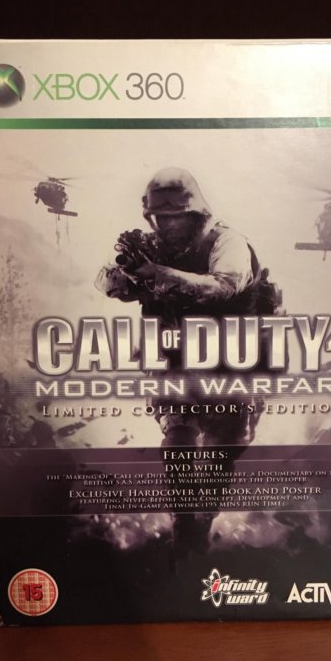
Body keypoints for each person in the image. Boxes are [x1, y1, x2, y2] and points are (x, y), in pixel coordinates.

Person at [97, 168, 280, 555]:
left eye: (176, 217)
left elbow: (223, 287)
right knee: (177, 440)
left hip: (233, 362)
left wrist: (158, 273)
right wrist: (126, 277)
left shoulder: (227, 242)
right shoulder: (154, 246)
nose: (168, 225)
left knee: (221, 453)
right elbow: (107, 282)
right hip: (176, 359)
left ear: (196, 214)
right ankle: (184, 524)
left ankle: (202, 520)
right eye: (160, 217)